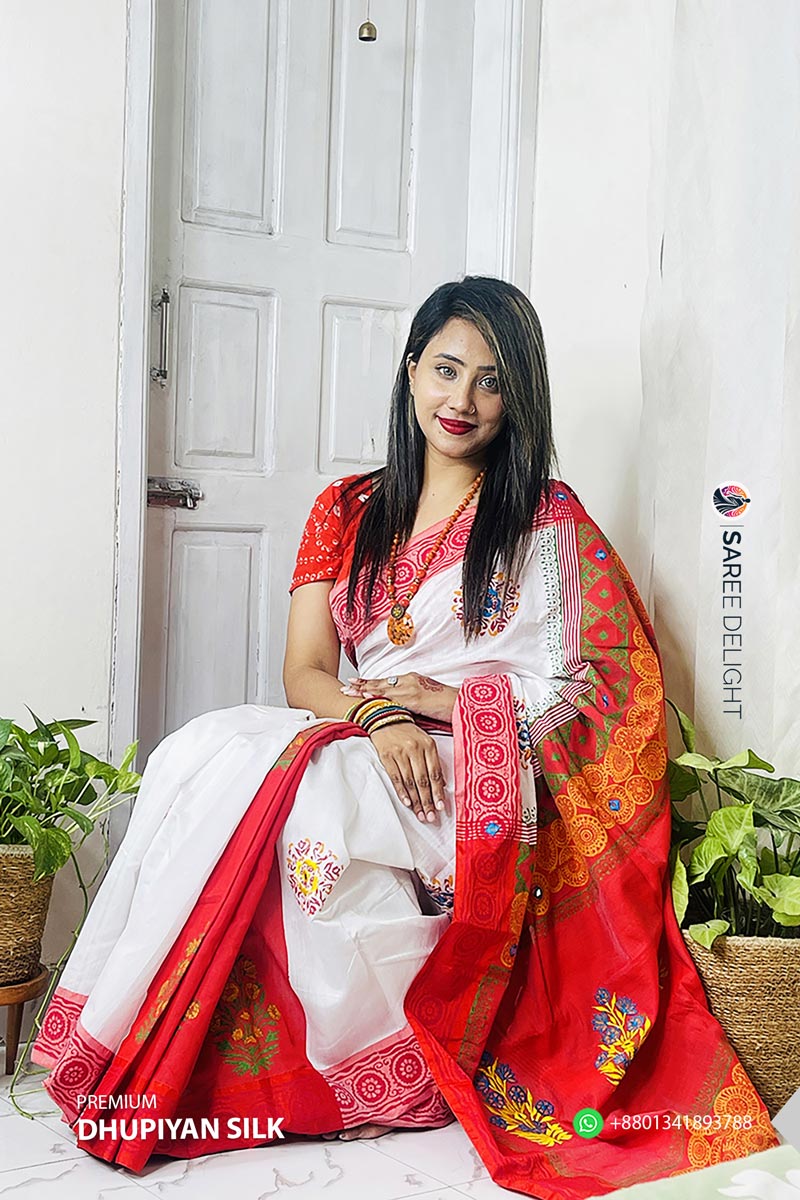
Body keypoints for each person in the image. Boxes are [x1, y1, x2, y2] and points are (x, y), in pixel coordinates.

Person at [31, 278, 778, 1198]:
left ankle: (359, 1069)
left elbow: (606, 687)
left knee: (319, 791)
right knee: (206, 751)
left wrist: (449, 703)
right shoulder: (345, 510)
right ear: (412, 371)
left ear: (519, 398)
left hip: (483, 760)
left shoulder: (544, 520)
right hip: (362, 730)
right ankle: (187, 1049)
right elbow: (307, 671)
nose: (462, 400)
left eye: (492, 381)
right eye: (446, 370)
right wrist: (380, 716)